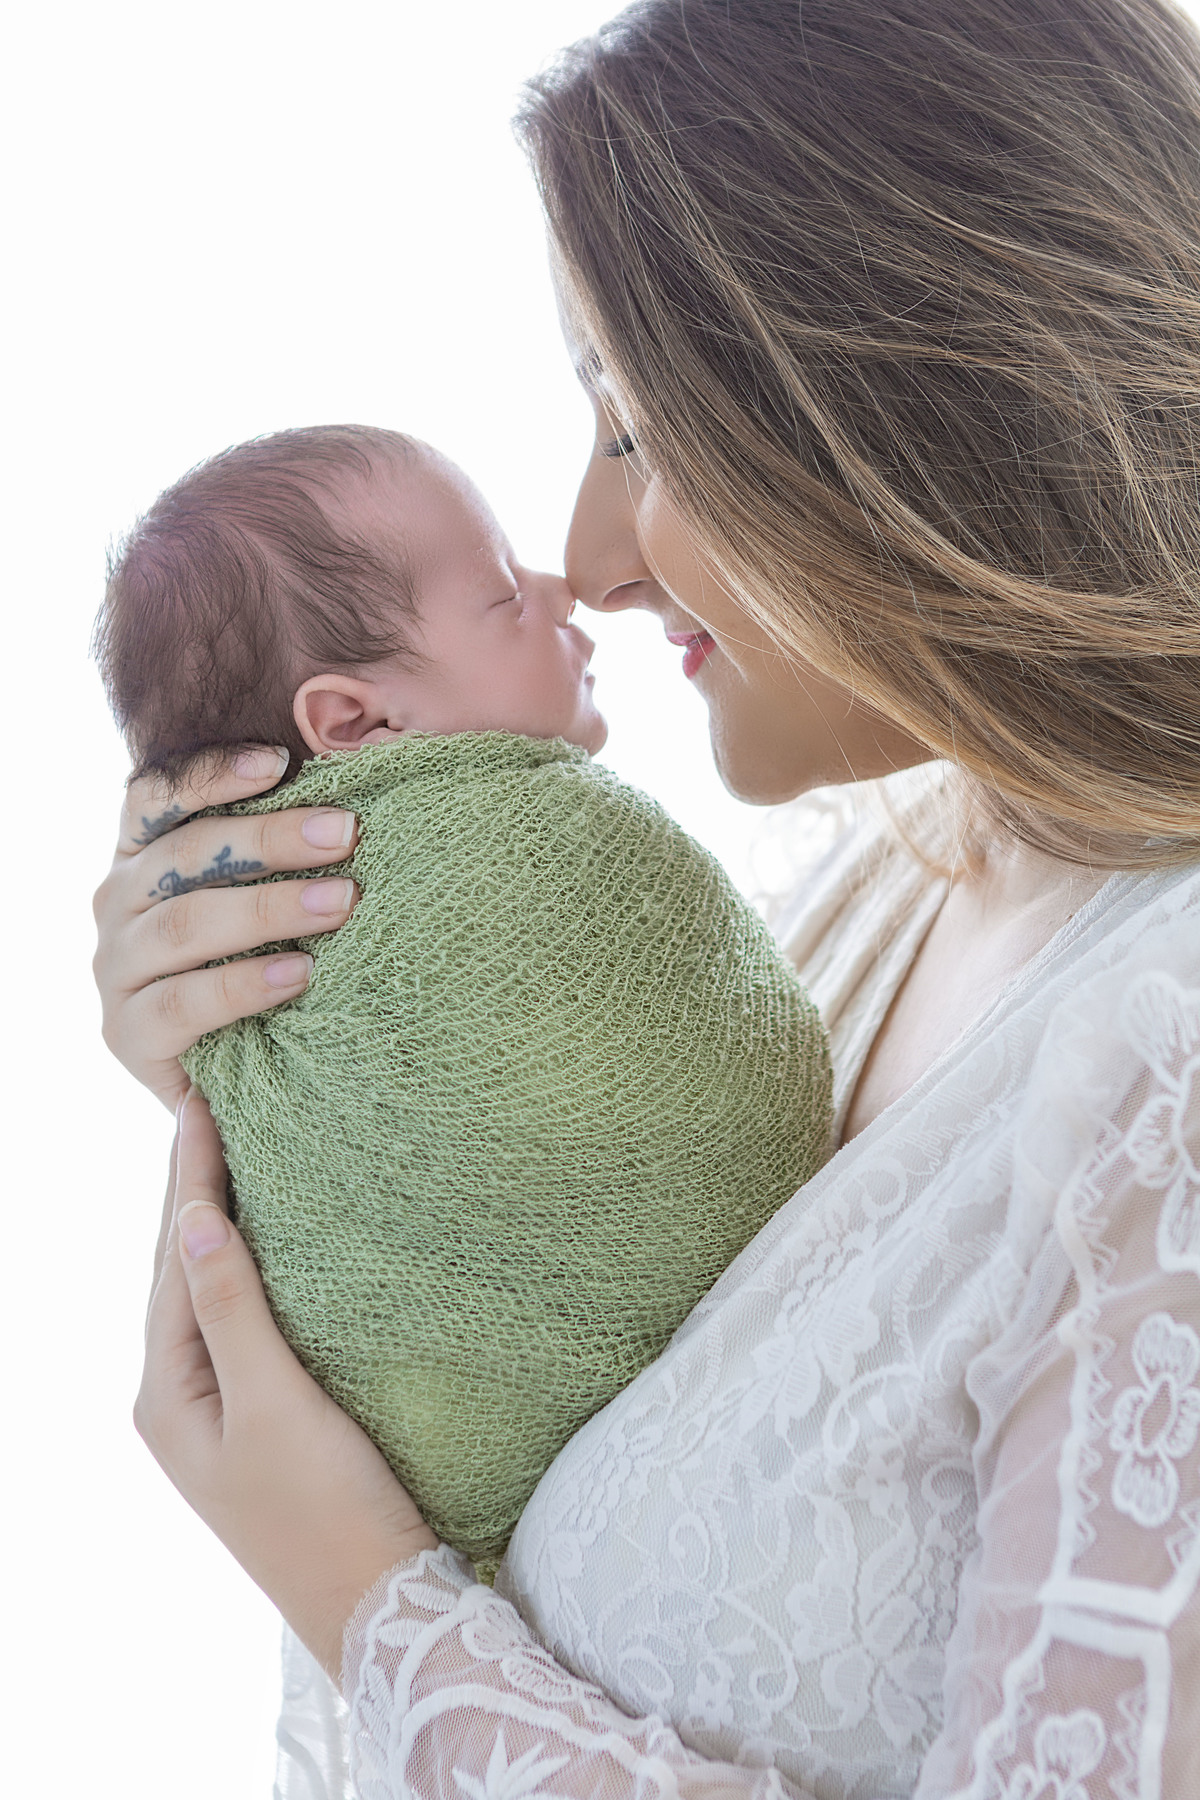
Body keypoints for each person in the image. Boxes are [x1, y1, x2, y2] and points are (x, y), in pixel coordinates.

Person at [93, 0, 1200, 1794]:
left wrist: (369, 1602)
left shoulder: (1170, 1057)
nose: (590, 563)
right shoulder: (868, 904)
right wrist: (291, 1061)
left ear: (912, 392)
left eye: (635, 426)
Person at [95, 421, 830, 1577]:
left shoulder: (552, 869)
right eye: (500, 592)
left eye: (637, 432)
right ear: (357, 724)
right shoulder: (347, 907)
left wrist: (361, 1594)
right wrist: (233, 1078)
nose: (567, 580)